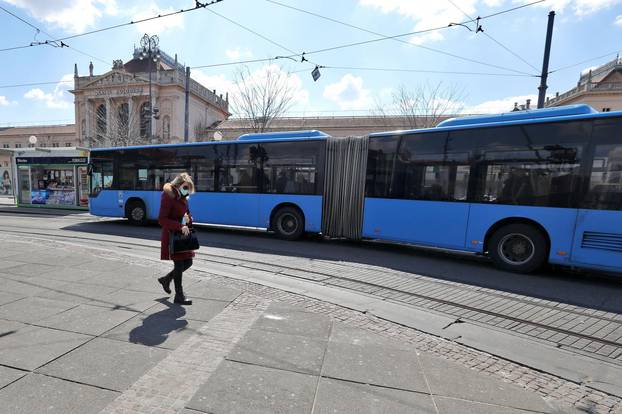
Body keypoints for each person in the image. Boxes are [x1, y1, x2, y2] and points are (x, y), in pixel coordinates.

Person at [157, 173, 195, 305]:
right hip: (172, 235)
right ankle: (179, 296)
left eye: (189, 188)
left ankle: (166, 279)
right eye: (186, 187)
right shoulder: (168, 196)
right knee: (179, 264)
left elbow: (186, 212)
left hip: (182, 236)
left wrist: (189, 218)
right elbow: (162, 219)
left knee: (188, 262)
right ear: (178, 185)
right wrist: (179, 226)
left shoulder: (183, 197)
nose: (187, 190)